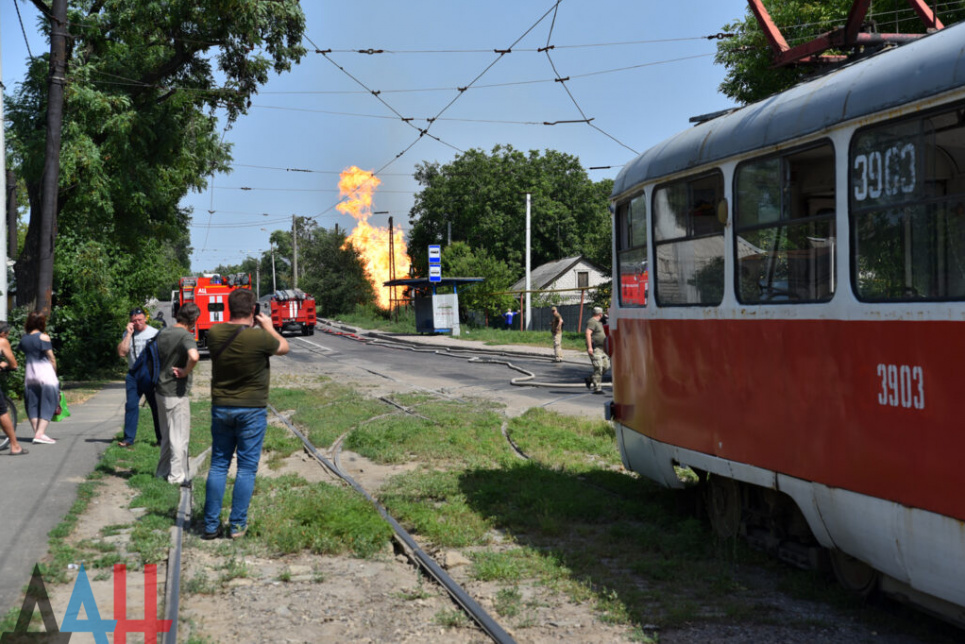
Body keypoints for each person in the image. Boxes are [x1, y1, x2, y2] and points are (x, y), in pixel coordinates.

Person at [202, 289, 289, 540]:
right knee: (246, 469)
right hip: (252, 409)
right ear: (253, 310)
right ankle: (237, 524)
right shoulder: (259, 338)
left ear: (229, 308)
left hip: (221, 407)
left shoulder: (214, 333)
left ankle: (210, 525)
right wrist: (268, 326)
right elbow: (284, 347)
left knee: (219, 464)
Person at [154, 303, 201, 485]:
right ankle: (176, 476)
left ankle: (162, 472)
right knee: (179, 436)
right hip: (176, 391)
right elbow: (194, 356)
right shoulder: (185, 335)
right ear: (194, 320)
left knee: (166, 435)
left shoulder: (164, 332)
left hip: (160, 389)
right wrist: (185, 371)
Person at [117, 307, 161, 447]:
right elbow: (122, 353)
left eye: (140, 319)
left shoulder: (155, 333)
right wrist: (128, 334)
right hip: (133, 375)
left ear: (145, 318)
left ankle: (161, 439)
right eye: (134, 321)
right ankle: (128, 439)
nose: (137, 323)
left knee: (156, 407)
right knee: (130, 406)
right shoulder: (128, 333)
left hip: (150, 375)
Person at [19, 312, 59, 444]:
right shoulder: (44, 337)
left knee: (32, 403)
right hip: (45, 374)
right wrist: (55, 373)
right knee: (49, 402)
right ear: (42, 323)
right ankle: (40, 434)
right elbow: (51, 358)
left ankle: (38, 433)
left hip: (30, 374)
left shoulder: (24, 339)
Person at [0, 323, 27, 455]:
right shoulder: (2, 341)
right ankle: (15, 446)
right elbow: (13, 363)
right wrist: (7, 365)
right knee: (2, 411)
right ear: (3, 333)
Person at [584, 306, 610, 394]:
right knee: (598, 367)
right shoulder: (592, 321)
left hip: (602, 348)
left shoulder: (599, 322)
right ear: (600, 314)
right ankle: (597, 388)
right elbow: (588, 333)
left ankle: (590, 379)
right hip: (596, 348)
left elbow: (609, 316)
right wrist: (590, 347)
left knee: (606, 367)